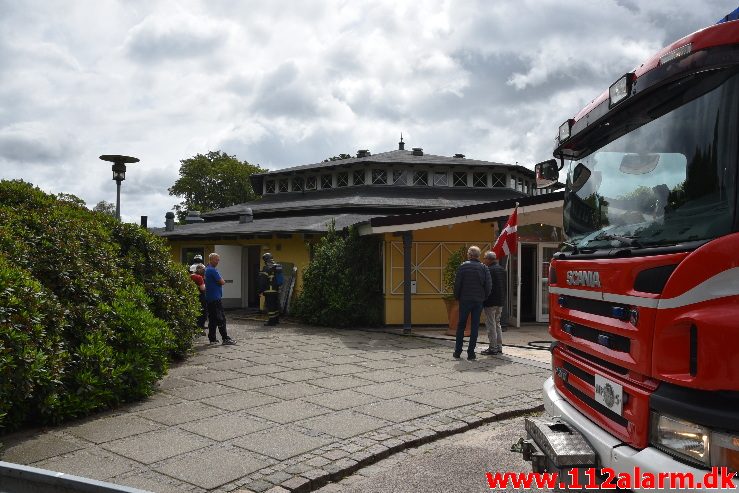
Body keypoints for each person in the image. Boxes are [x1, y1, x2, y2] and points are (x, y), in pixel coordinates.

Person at [453, 245, 492, 360]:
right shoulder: (484, 268)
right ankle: (471, 353)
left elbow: (457, 284)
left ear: (469, 255)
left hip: (465, 300)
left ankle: (458, 351)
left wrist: (457, 297)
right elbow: (488, 285)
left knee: (461, 325)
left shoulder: (462, 267)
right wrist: (483, 296)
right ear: (478, 256)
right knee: (475, 326)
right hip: (478, 300)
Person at [204, 252, 236, 345]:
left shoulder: (207, 269)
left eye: (218, 260)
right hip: (215, 298)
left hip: (210, 298)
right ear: (211, 260)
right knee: (221, 318)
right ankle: (225, 338)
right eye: (216, 259)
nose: (218, 261)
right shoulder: (212, 270)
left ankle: (212, 339)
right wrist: (221, 281)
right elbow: (222, 282)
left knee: (213, 319)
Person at [481, 251, 507, 355]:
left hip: (490, 301)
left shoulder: (488, 270)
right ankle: (499, 347)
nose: (484, 260)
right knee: (497, 323)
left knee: (491, 324)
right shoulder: (502, 269)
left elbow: (486, 286)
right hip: (500, 301)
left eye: (484, 258)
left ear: (488, 259)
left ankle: (492, 348)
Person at [258, 252, 283, 326]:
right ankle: (276, 320)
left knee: (271, 307)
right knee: (275, 306)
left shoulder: (266, 268)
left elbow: (263, 281)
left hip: (269, 291)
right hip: (276, 290)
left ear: (265, 260)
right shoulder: (276, 266)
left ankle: (271, 322)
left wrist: (260, 291)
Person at [190, 263, 208, 335]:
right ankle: (200, 329)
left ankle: (195, 328)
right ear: (199, 270)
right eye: (203, 269)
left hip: (192, 296)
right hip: (200, 296)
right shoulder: (199, 277)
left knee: (195, 312)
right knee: (202, 312)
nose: (204, 271)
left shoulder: (190, 276)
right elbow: (202, 288)